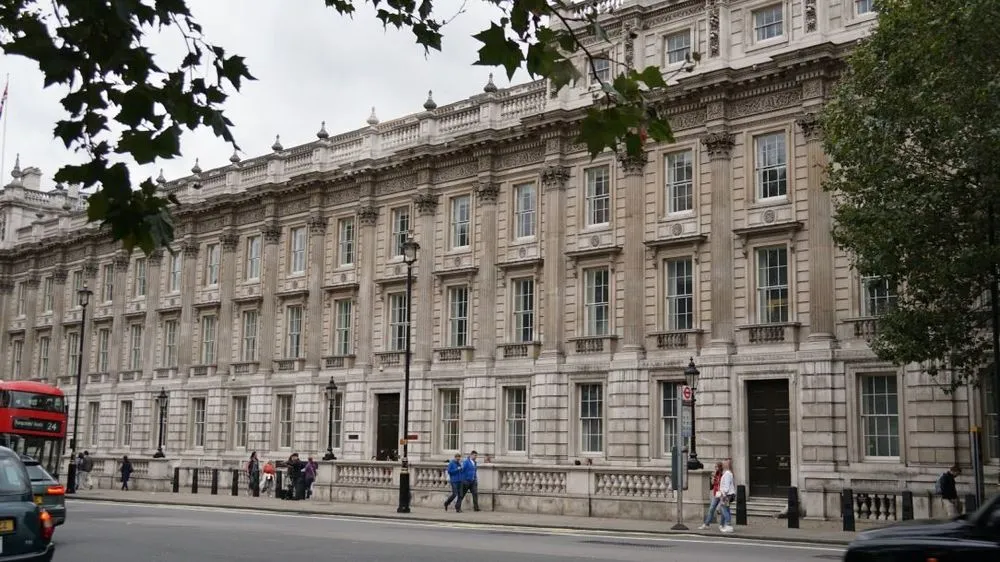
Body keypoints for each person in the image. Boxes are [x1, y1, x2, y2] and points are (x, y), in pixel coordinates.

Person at [698, 462, 724, 530]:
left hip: (722, 494)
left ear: (720, 467)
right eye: (715, 467)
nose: (715, 468)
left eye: (716, 467)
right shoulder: (716, 474)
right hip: (716, 494)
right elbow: (712, 484)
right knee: (711, 509)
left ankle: (722, 524)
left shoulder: (722, 475)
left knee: (723, 510)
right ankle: (706, 524)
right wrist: (713, 477)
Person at [717, 458, 736, 533]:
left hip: (726, 495)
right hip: (727, 494)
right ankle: (725, 525)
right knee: (726, 509)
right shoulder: (728, 473)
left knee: (724, 509)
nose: (722, 464)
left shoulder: (727, 474)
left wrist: (723, 494)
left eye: (724, 463)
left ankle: (728, 525)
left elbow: (727, 486)